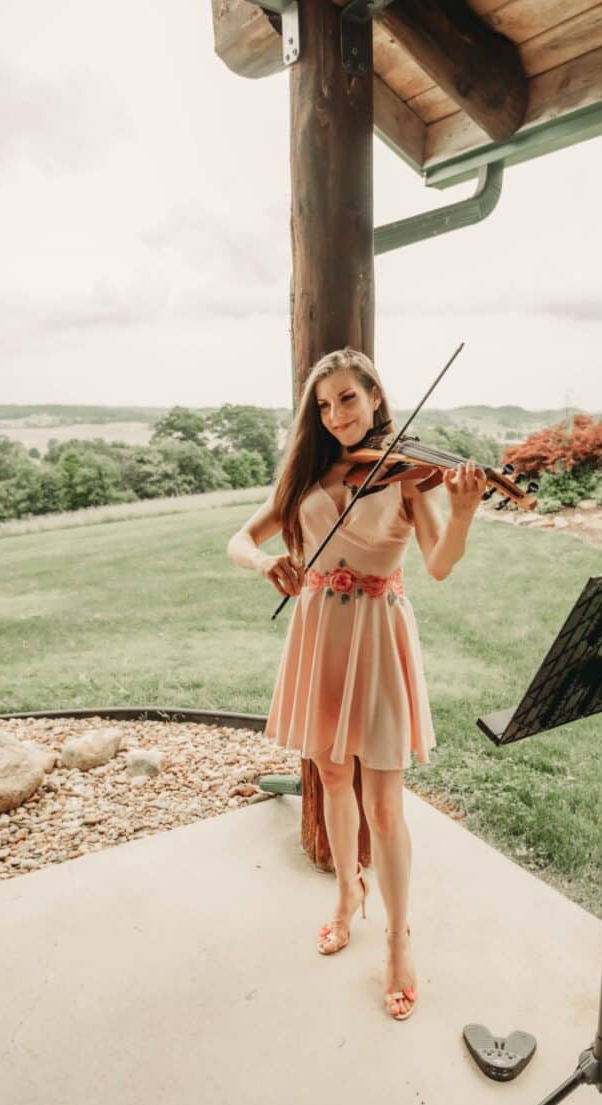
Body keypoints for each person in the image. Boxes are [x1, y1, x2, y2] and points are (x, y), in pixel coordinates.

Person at [227, 348, 486, 1021]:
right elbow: (240, 538)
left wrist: (459, 513)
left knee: (386, 805)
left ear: (375, 396)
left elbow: (438, 563)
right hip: (317, 634)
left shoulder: (408, 473)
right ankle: (348, 892)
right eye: (324, 404)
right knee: (332, 775)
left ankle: (399, 940)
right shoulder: (311, 469)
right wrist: (264, 565)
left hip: (376, 633)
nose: (336, 414)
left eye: (347, 398)